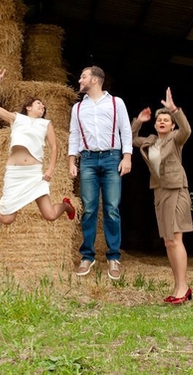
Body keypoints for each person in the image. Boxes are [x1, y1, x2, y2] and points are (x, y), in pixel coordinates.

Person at [0, 69, 76, 228]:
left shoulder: (45, 124)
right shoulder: (16, 118)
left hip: (33, 173)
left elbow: (54, 147)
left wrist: (50, 170)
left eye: (44, 106)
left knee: (50, 215)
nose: (42, 106)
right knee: (7, 219)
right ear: (28, 107)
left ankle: (66, 205)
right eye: (39, 103)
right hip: (14, 173)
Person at [68, 66, 132, 280]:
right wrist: (71, 161)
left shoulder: (116, 103)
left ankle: (113, 257)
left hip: (112, 157)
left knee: (112, 208)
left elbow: (126, 130)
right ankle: (87, 256)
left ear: (95, 80)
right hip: (87, 160)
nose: (79, 80)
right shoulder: (77, 108)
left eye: (83, 76)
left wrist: (127, 156)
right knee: (89, 209)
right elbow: (74, 135)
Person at [132, 88, 193, 304]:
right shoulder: (150, 141)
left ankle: (183, 287)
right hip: (159, 191)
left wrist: (174, 110)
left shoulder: (176, 138)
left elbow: (186, 129)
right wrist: (138, 121)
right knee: (168, 242)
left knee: (176, 239)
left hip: (176, 189)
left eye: (167, 120)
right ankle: (178, 285)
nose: (162, 122)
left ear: (172, 125)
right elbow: (130, 139)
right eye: (159, 120)